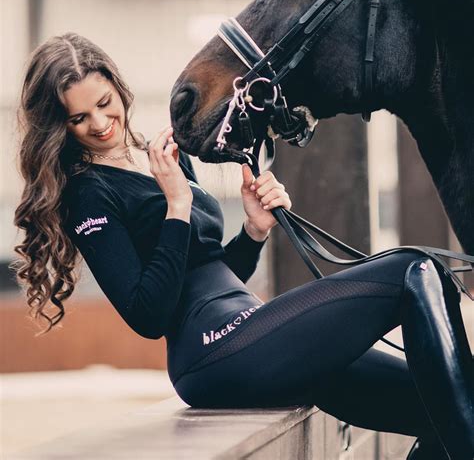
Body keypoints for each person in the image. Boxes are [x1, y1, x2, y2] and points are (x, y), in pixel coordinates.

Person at [11, 32, 473, 460]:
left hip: (252, 330)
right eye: (78, 118)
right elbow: (148, 315)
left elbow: (210, 268)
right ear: (60, 125)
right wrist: (176, 203)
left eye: (104, 103)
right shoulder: (87, 193)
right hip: (212, 354)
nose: (99, 123)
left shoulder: (161, 155)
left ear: (116, 84)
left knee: (437, 404)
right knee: (414, 269)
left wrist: (254, 229)